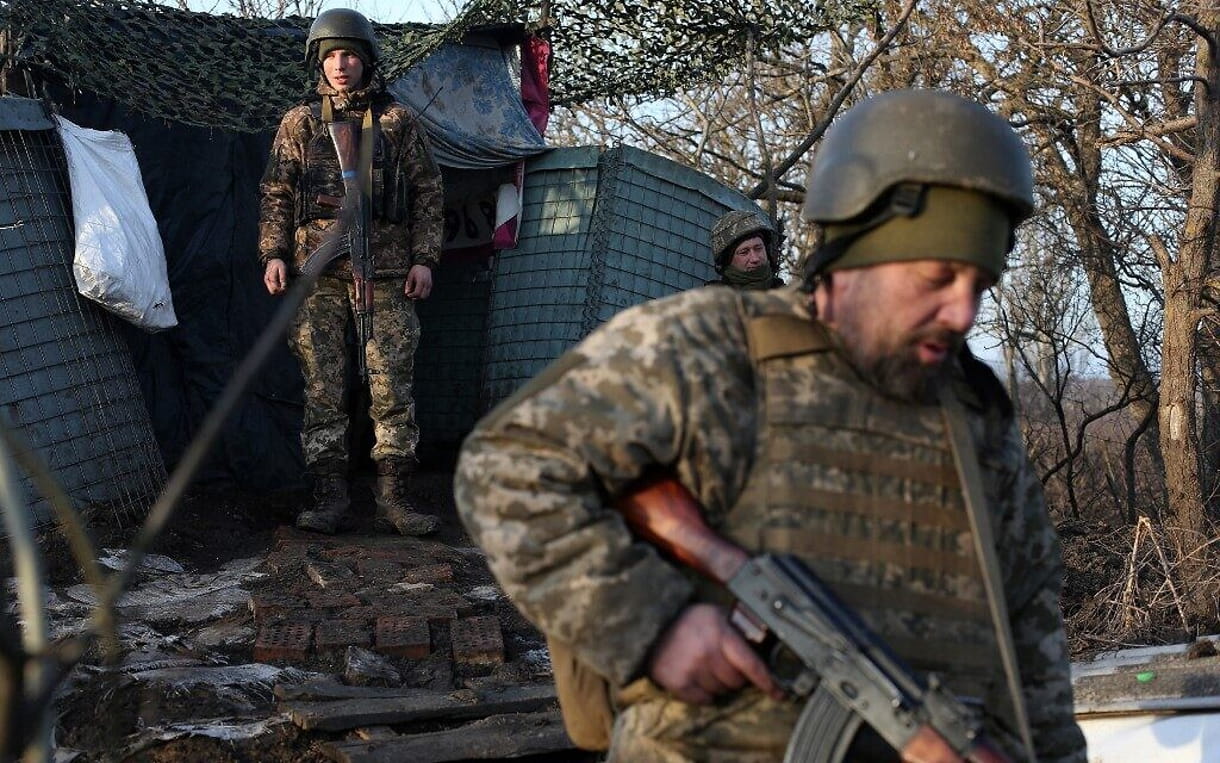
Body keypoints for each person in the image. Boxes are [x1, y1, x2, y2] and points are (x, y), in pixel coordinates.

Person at [454, 89, 1086, 762]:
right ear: (858, 252)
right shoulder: (715, 348)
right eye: (937, 276)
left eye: (979, 285)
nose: (963, 312)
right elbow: (507, 465)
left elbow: (1035, 658)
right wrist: (653, 621)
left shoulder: (977, 423)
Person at [259, 8, 444, 536]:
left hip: (386, 269)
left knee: (391, 382)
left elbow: (429, 192)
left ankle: (395, 497)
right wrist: (273, 253)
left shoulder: (396, 121)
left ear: (367, 61)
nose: (341, 65)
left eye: (351, 55)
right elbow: (276, 192)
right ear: (320, 62)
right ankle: (327, 495)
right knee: (323, 383)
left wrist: (424, 259)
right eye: (332, 55)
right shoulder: (300, 122)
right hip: (317, 271)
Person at [706, 209, 785, 289]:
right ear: (727, 260)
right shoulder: (711, 298)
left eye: (758, 249)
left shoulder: (789, 297)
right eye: (744, 252)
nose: (755, 259)